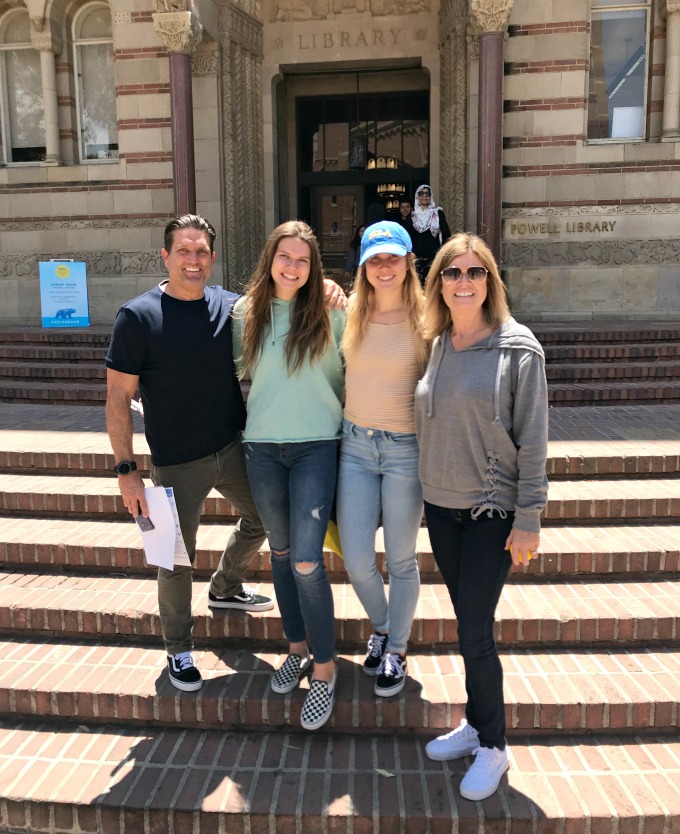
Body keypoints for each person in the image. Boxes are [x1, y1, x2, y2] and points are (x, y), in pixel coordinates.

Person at [105, 215, 344, 694]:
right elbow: (116, 400)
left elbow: (284, 295)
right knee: (172, 557)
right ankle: (178, 648)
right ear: (166, 256)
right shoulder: (137, 317)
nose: (193, 261)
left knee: (266, 524)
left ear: (213, 258)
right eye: (183, 251)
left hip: (236, 447)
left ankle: (226, 586)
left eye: (201, 252)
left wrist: (329, 285)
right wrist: (127, 472)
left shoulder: (232, 309)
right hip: (173, 461)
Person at [415, 233, 548, 801]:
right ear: (438, 283)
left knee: (475, 631)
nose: (463, 282)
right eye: (451, 272)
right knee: (468, 626)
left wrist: (530, 515)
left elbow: (535, 438)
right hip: (441, 509)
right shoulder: (438, 342)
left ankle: (494, 745)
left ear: (490, 281)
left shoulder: (519, 348)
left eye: (474, 272)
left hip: (492, 511)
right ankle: (475, 723)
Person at [232, 220, 345, 731]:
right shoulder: (245, 313)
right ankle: (296, 648)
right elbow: (232, 372)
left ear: (313, 266)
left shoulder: (329, 310)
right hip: (261, 448)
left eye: (303, 260)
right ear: (270, 258)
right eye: (285, 257)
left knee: (305, 562)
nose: (293, 267)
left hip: (317, 446)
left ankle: (325, 669)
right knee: (279, 554)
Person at [337, 221, 426, 698]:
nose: (384, 266)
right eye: (375, 259)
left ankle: (395, 648)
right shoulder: (348, 312)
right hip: (354, 447)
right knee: (356, 559)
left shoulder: (429, 319)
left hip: (404, 451)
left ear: (410, 261)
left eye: (393, 257)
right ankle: (384, 625)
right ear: (364, 266)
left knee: (401, 558)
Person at [410, 185, 451, 284]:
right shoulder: (412, 215)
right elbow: (408, 237)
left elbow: (447, 235)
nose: (424, 196)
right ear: (417, 197)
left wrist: (442, 255)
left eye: (427, 194)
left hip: (433, 260)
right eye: (421, 193)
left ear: (430, 196)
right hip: (416, 262)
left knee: (432, 288)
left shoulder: (437, 213)